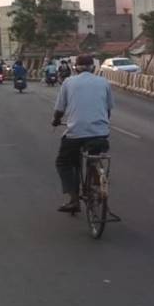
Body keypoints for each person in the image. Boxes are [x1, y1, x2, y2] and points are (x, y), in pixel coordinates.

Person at [51, 54, 113, 213]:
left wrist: (56, 120)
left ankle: (73, 200)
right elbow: (108, 110)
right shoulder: (103, 82)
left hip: (75, 134)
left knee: (63, 162)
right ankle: (98, 184)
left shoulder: (68, 82)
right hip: (100, 133)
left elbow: (59, 109)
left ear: (75, 68)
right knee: (94, 156)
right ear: (94, 68)